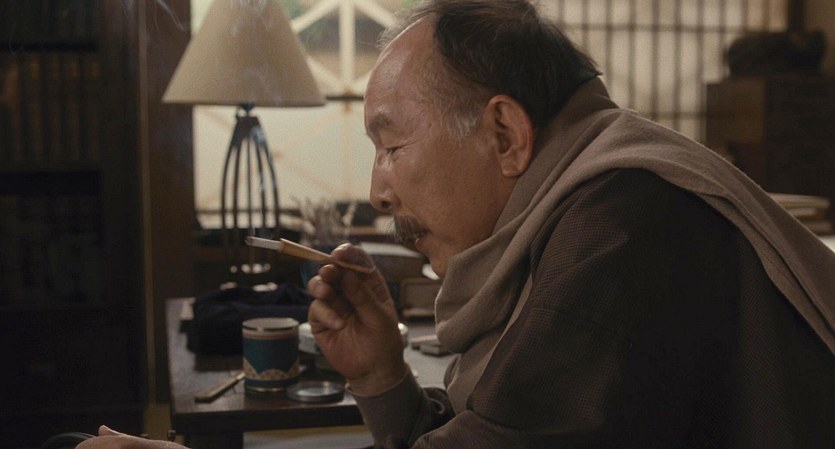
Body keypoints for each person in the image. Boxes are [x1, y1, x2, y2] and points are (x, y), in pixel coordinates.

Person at [79, 0, 835, 448]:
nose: (378, 191)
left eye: (391, 145)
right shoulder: (585, 199)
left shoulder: (623, 223)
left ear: (504, 136)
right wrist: (381, 376)